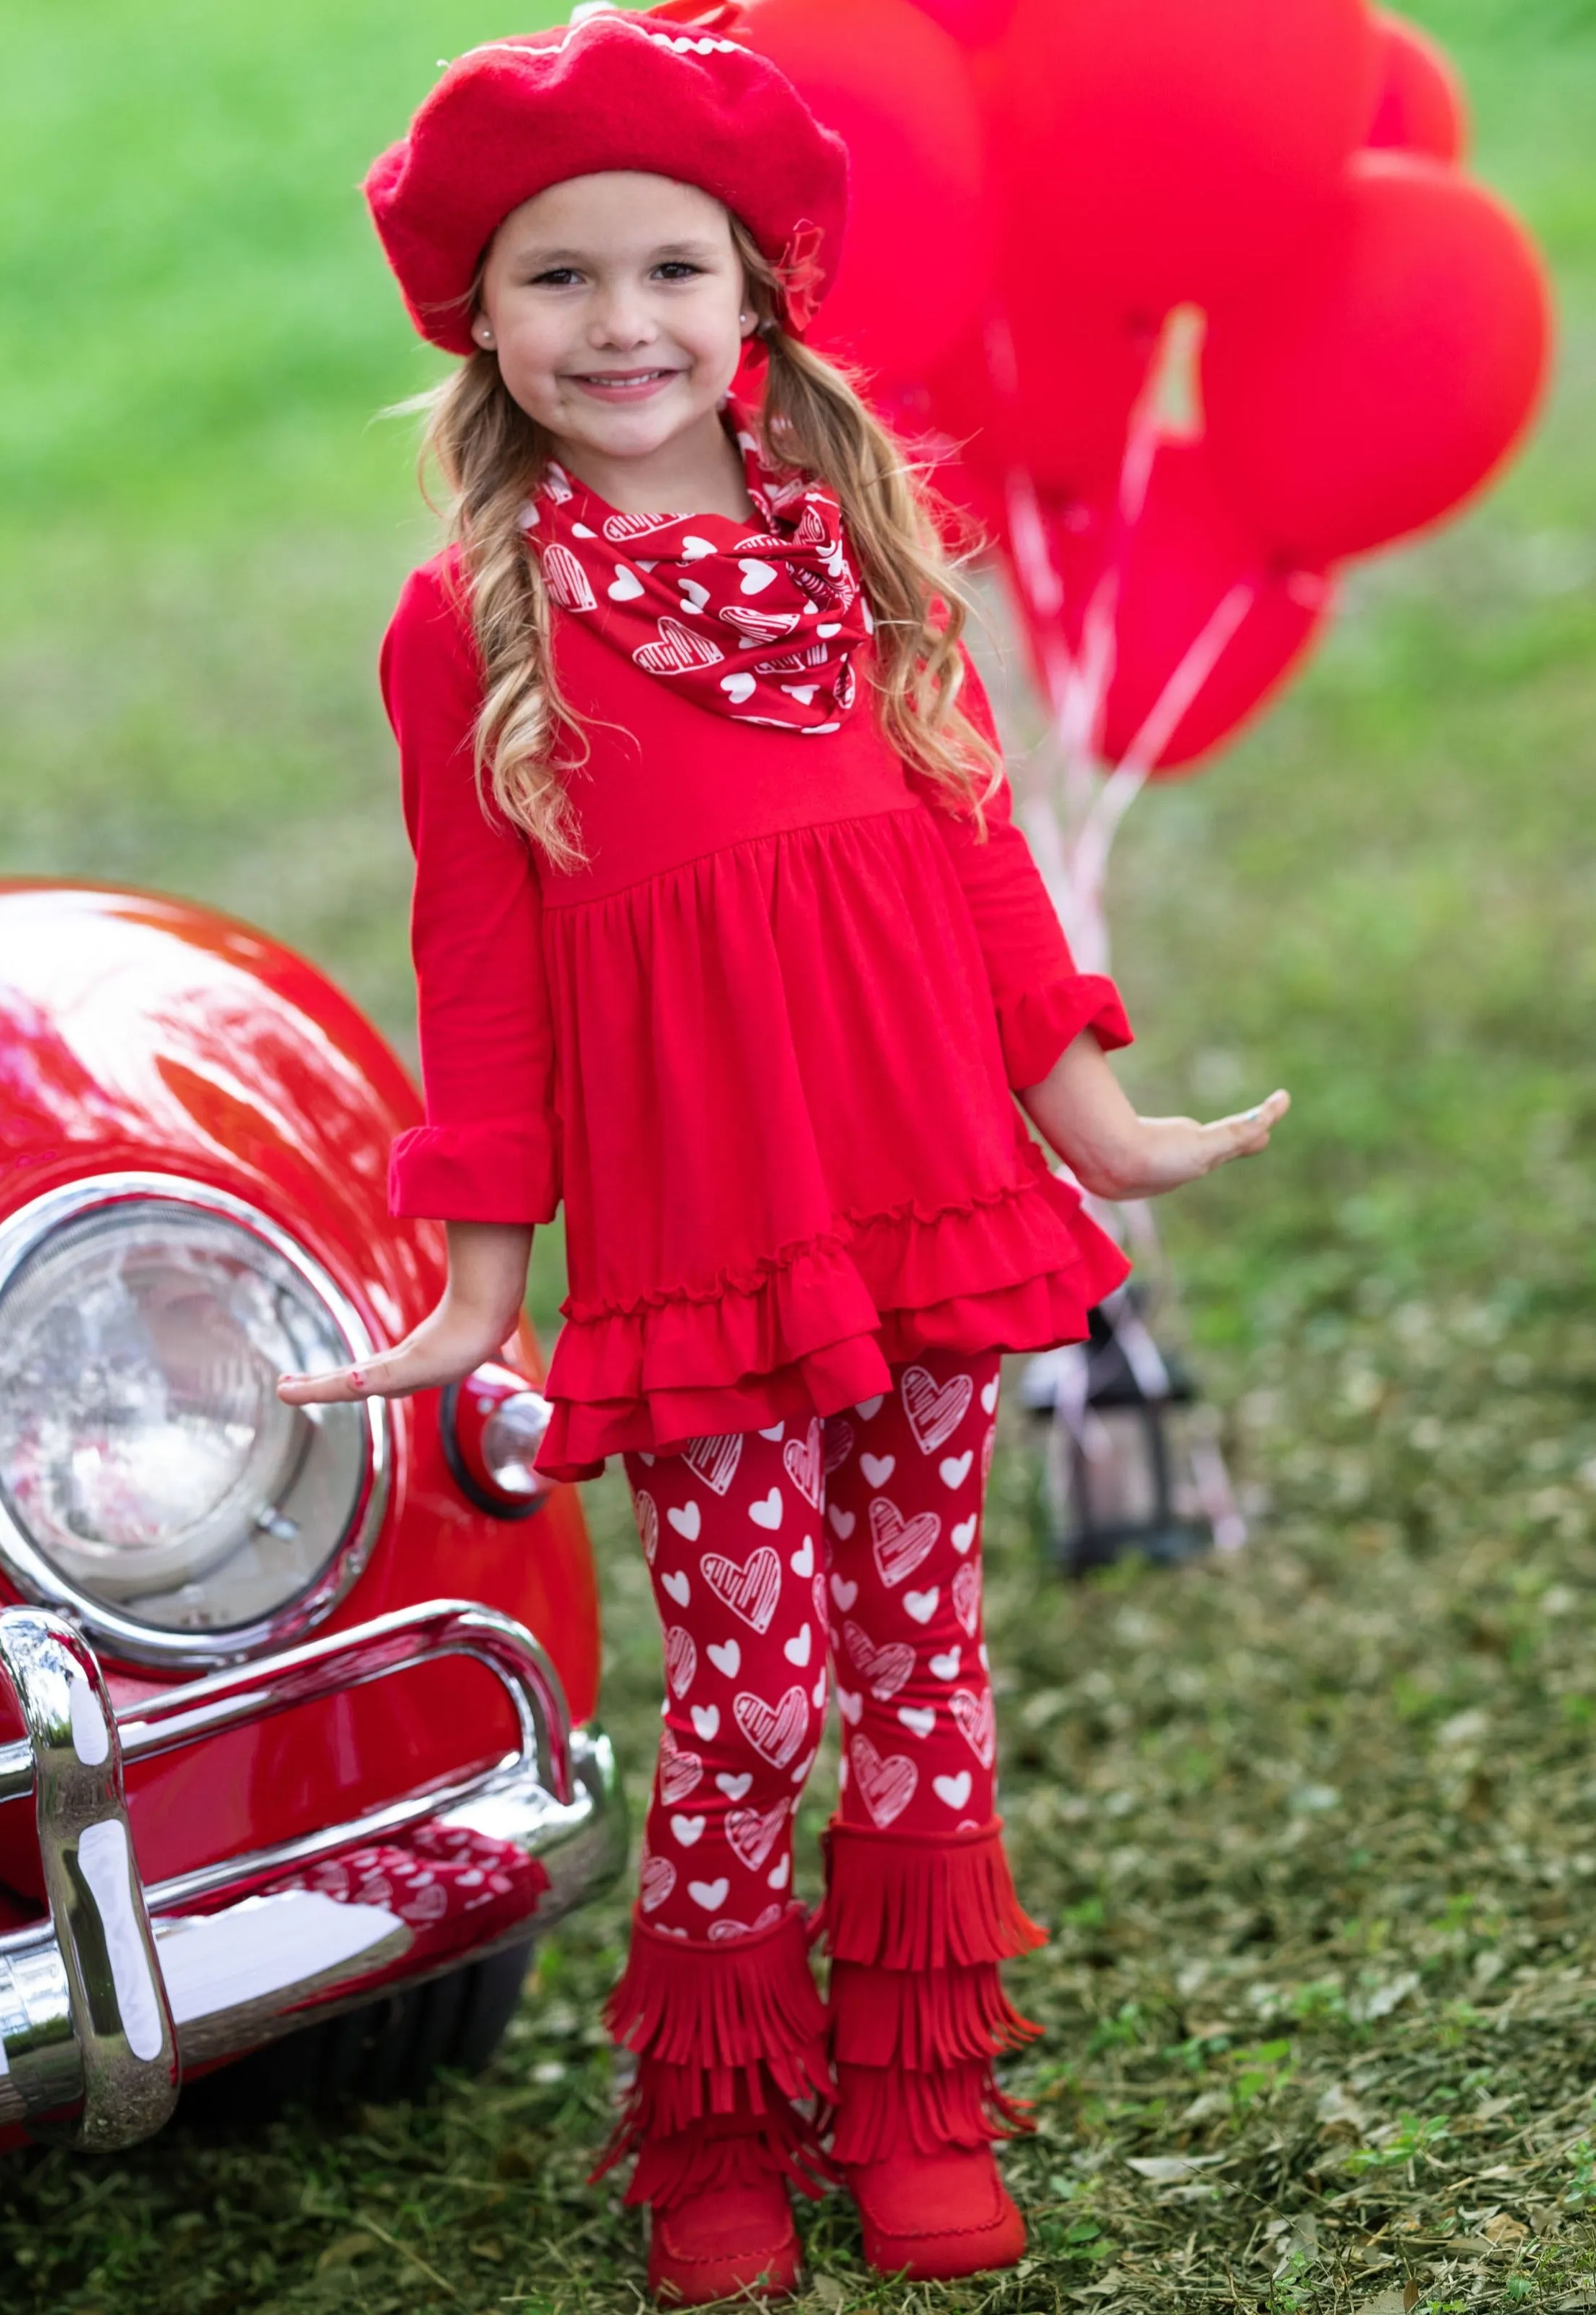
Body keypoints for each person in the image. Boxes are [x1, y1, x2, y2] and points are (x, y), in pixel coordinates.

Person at [280, 4, 1288, 2301]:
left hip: (928, 1189)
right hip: (714, 1249)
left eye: (670, 270)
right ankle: (714, 2131)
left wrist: (1094, 1115)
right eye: (560, 276)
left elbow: (981, 855)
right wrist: (477, 1267)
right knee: (746, 1694)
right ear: (478, 313)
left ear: (756, 303)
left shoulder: (865, 555)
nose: (619, 321)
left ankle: (920, 2095)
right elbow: (485, 972)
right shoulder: (475, 629)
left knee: (923, 1658)